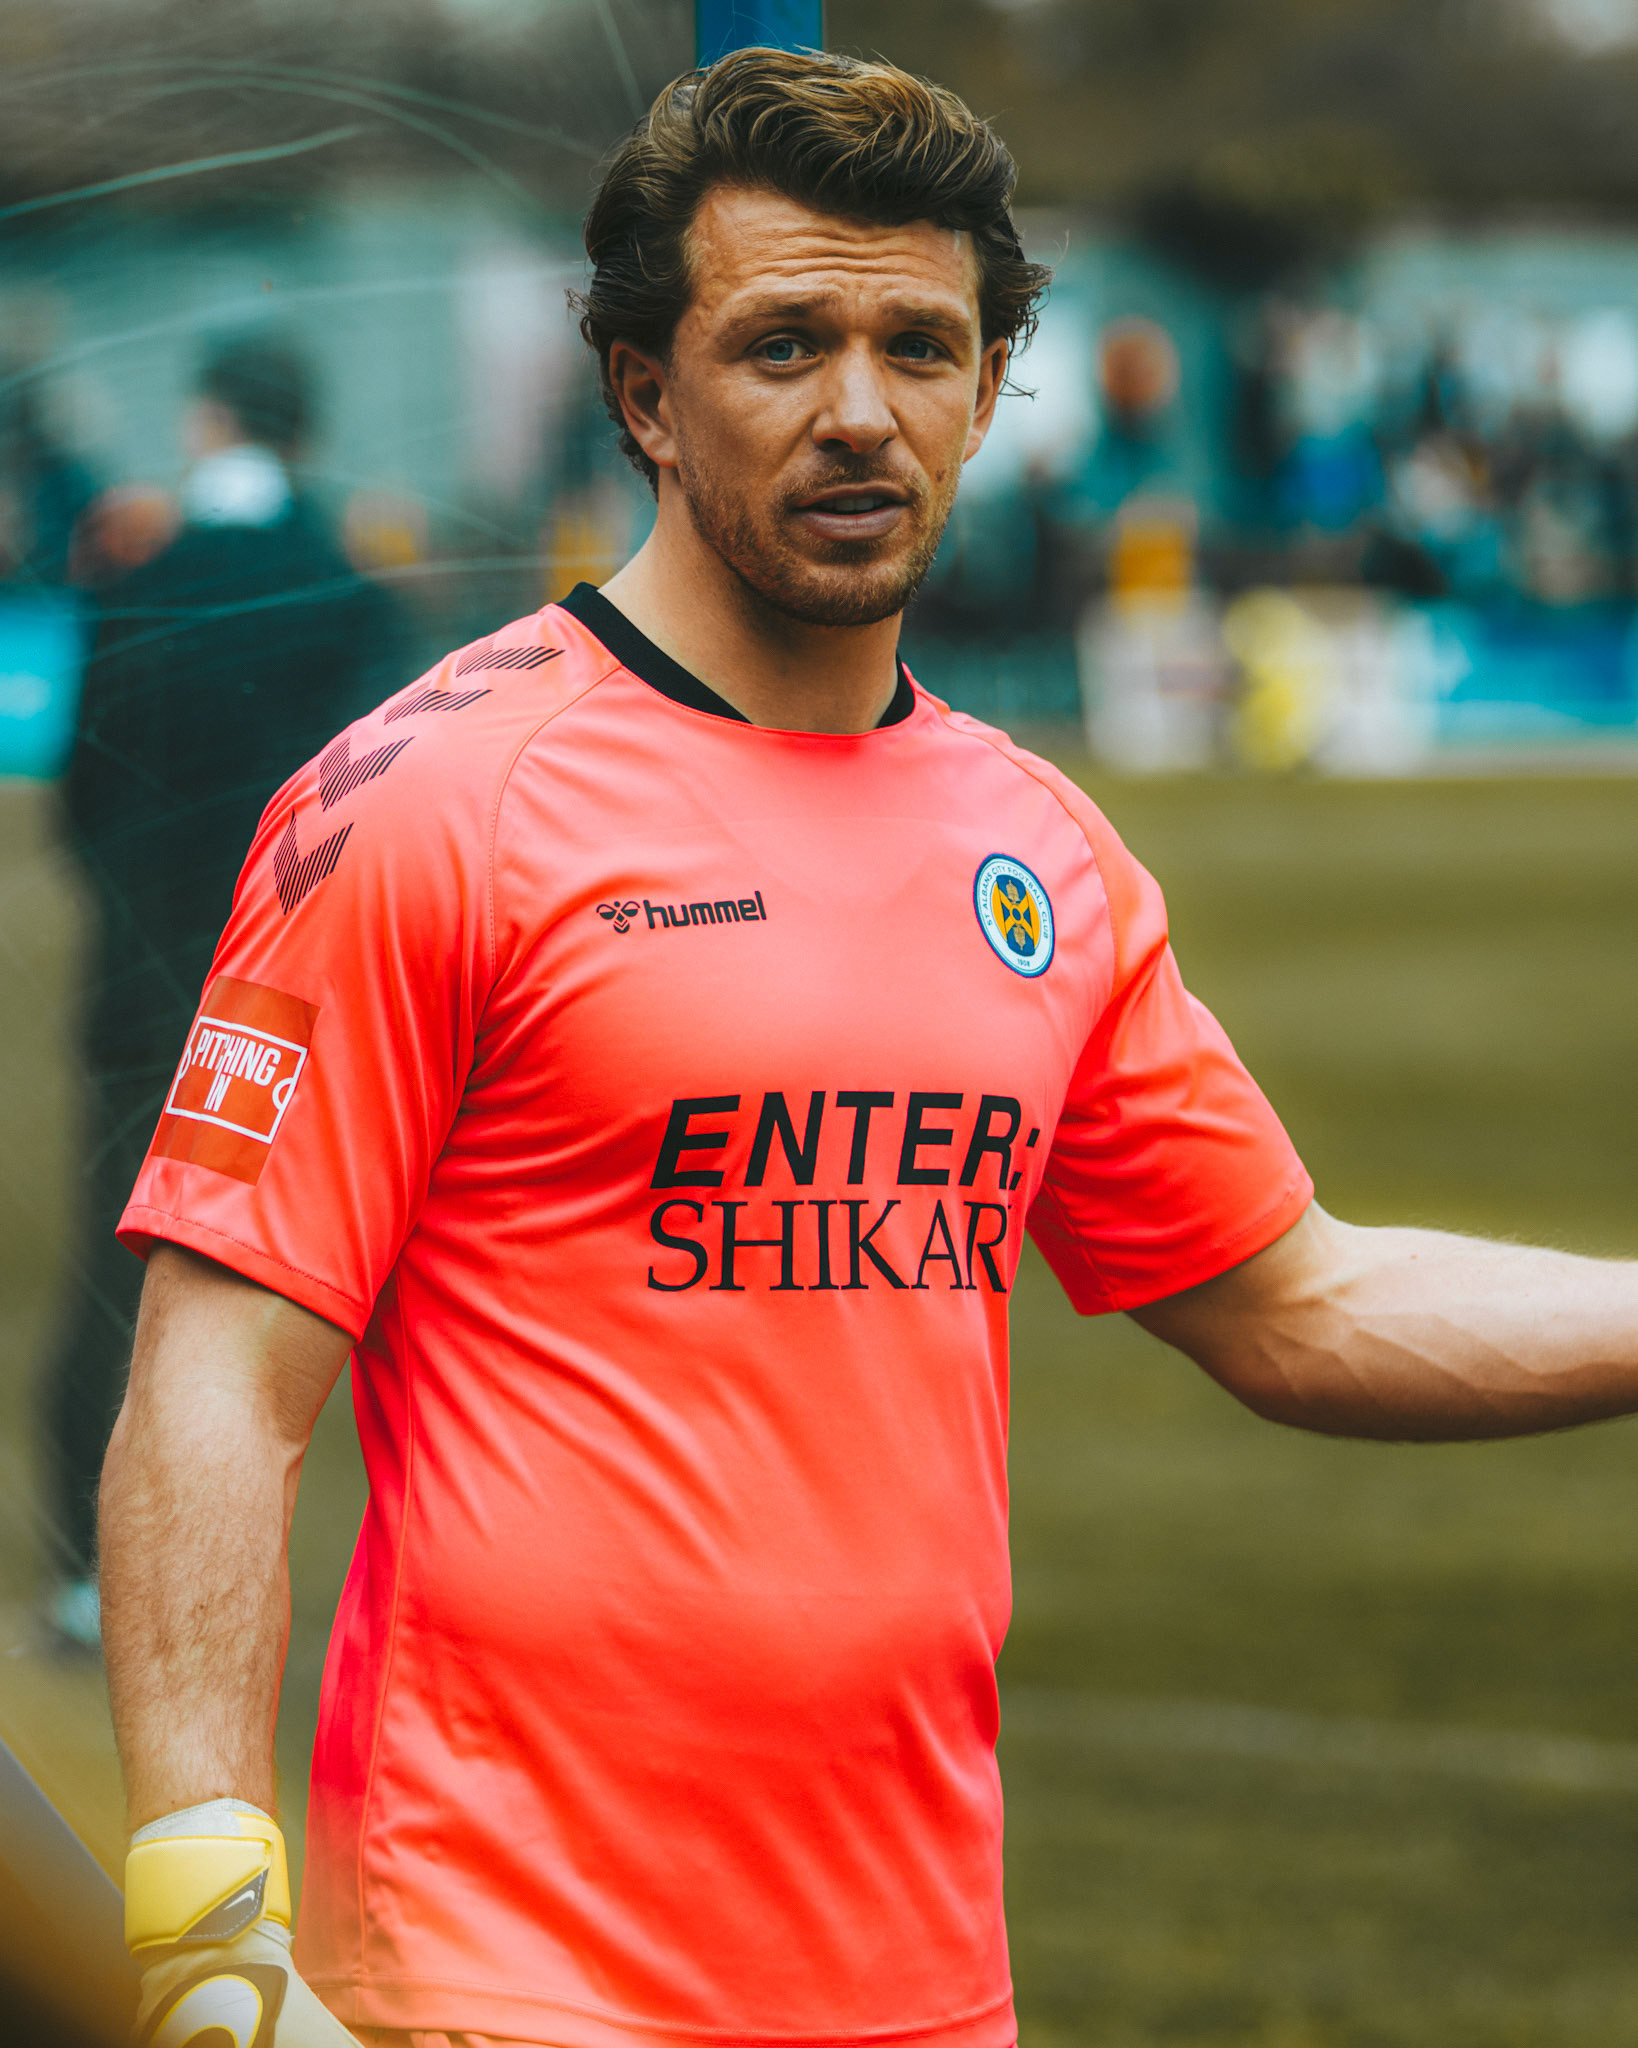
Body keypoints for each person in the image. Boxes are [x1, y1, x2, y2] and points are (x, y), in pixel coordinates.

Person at [95, 48, 1638, 2048]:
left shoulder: (1038, 847)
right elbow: (219, 1377)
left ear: (988, 396)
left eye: (921, 347)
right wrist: (204, 1925)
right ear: (645, 394)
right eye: (782, 344)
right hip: (506, 1969)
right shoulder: (435, 802)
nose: (858, 410)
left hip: (919, 1979)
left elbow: (1300, 1304)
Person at [43, 334, 405, 1649]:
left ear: (207, 425)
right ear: (305, 432)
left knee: (125, 1273)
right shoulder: (354, 597)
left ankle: (95, 1572)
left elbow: (84, 799)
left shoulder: (139, 584)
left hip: (153, 987)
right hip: (304, 996)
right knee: (309, 1286)